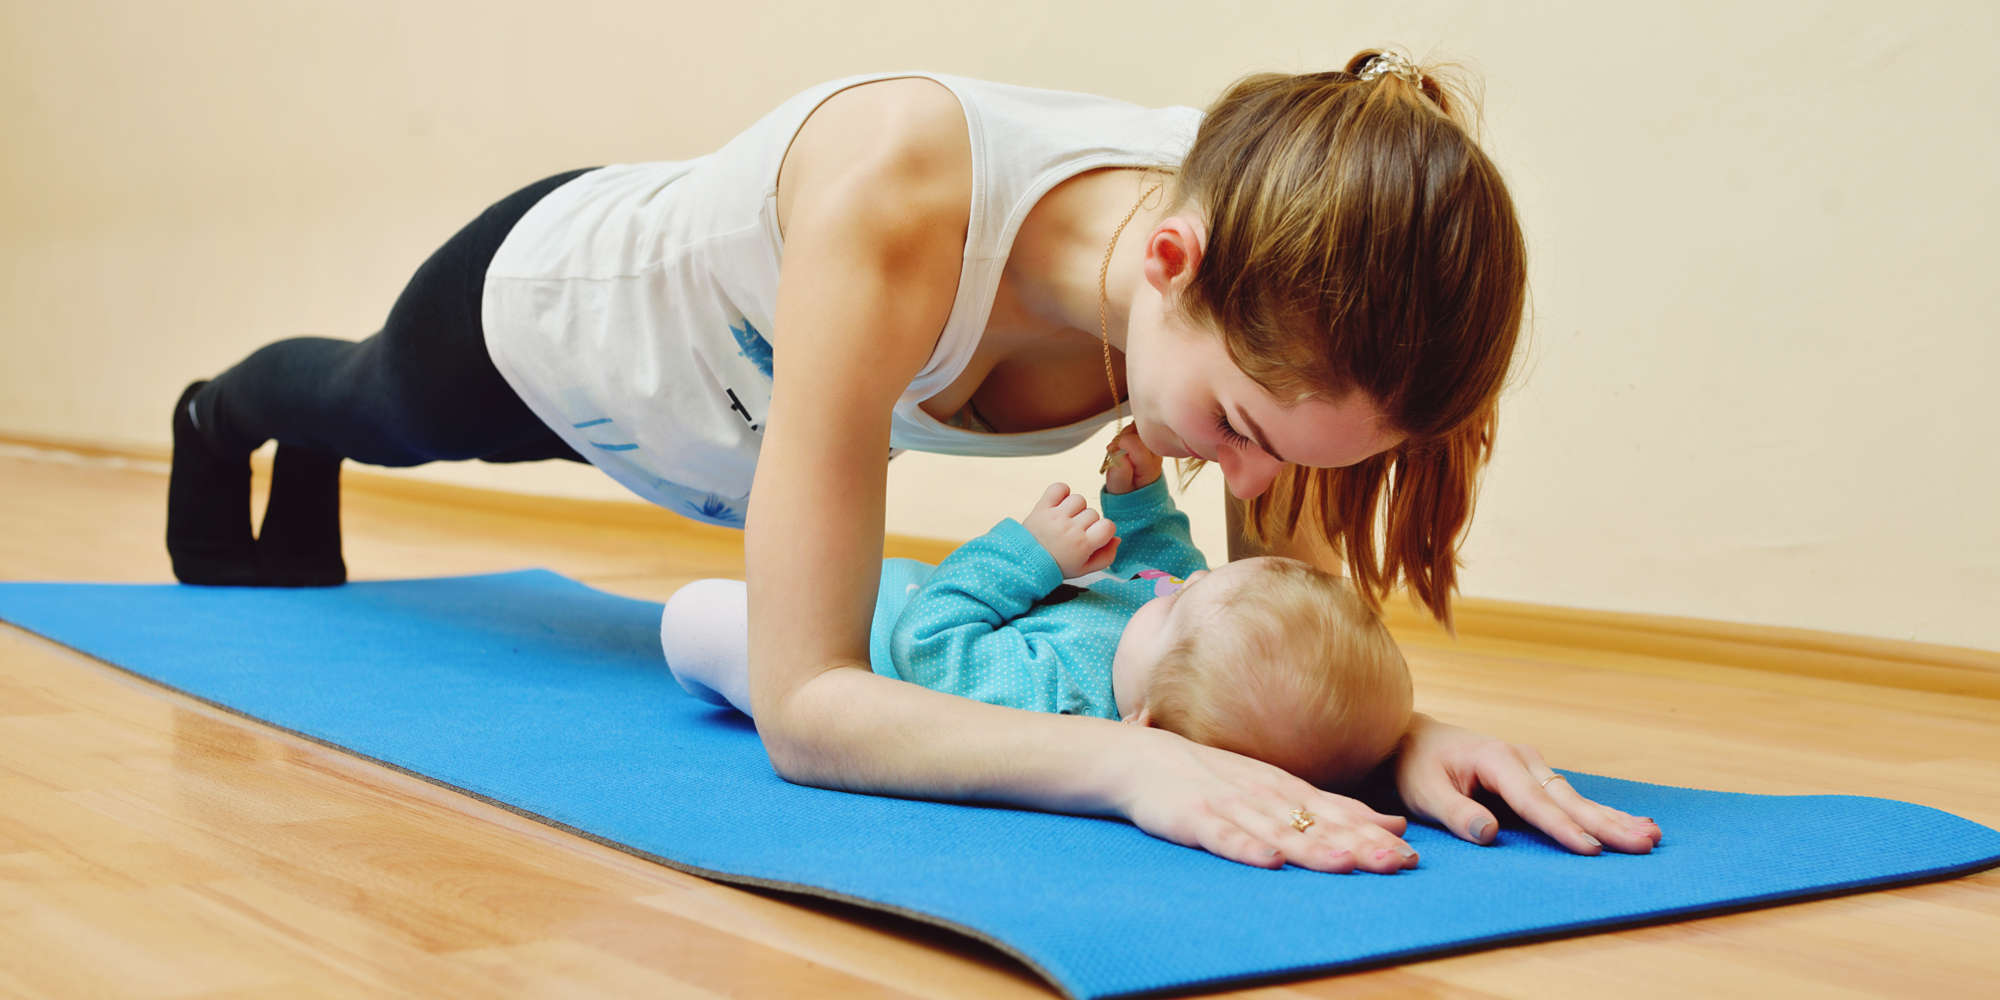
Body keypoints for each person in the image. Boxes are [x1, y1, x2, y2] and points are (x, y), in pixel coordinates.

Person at [166, 50, 1663, 874]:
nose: (1245, 483)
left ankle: (300, 456)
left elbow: (1279, 609)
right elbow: (809, 710)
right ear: (1167, 259)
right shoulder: (900, 201)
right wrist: (1129, 763)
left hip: (735, 437)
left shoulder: (1271, 287)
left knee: (378, 424)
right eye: (1245, 440)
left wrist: (1391, 732)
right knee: (378, 405)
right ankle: (229, 421)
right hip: (565, 321)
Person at [665, 427, 1414, 794]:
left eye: (1175, 607)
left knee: (692, 616)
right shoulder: (1179, 629)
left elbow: (927, 641)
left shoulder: (1052, 696)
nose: (1169, 586)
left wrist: (1031, 553)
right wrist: (1138, 489)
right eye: (1200, 583)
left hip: (862, 649)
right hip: (881, 580)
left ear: (1145, 726)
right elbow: (1163, 554)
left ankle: (732, 677)